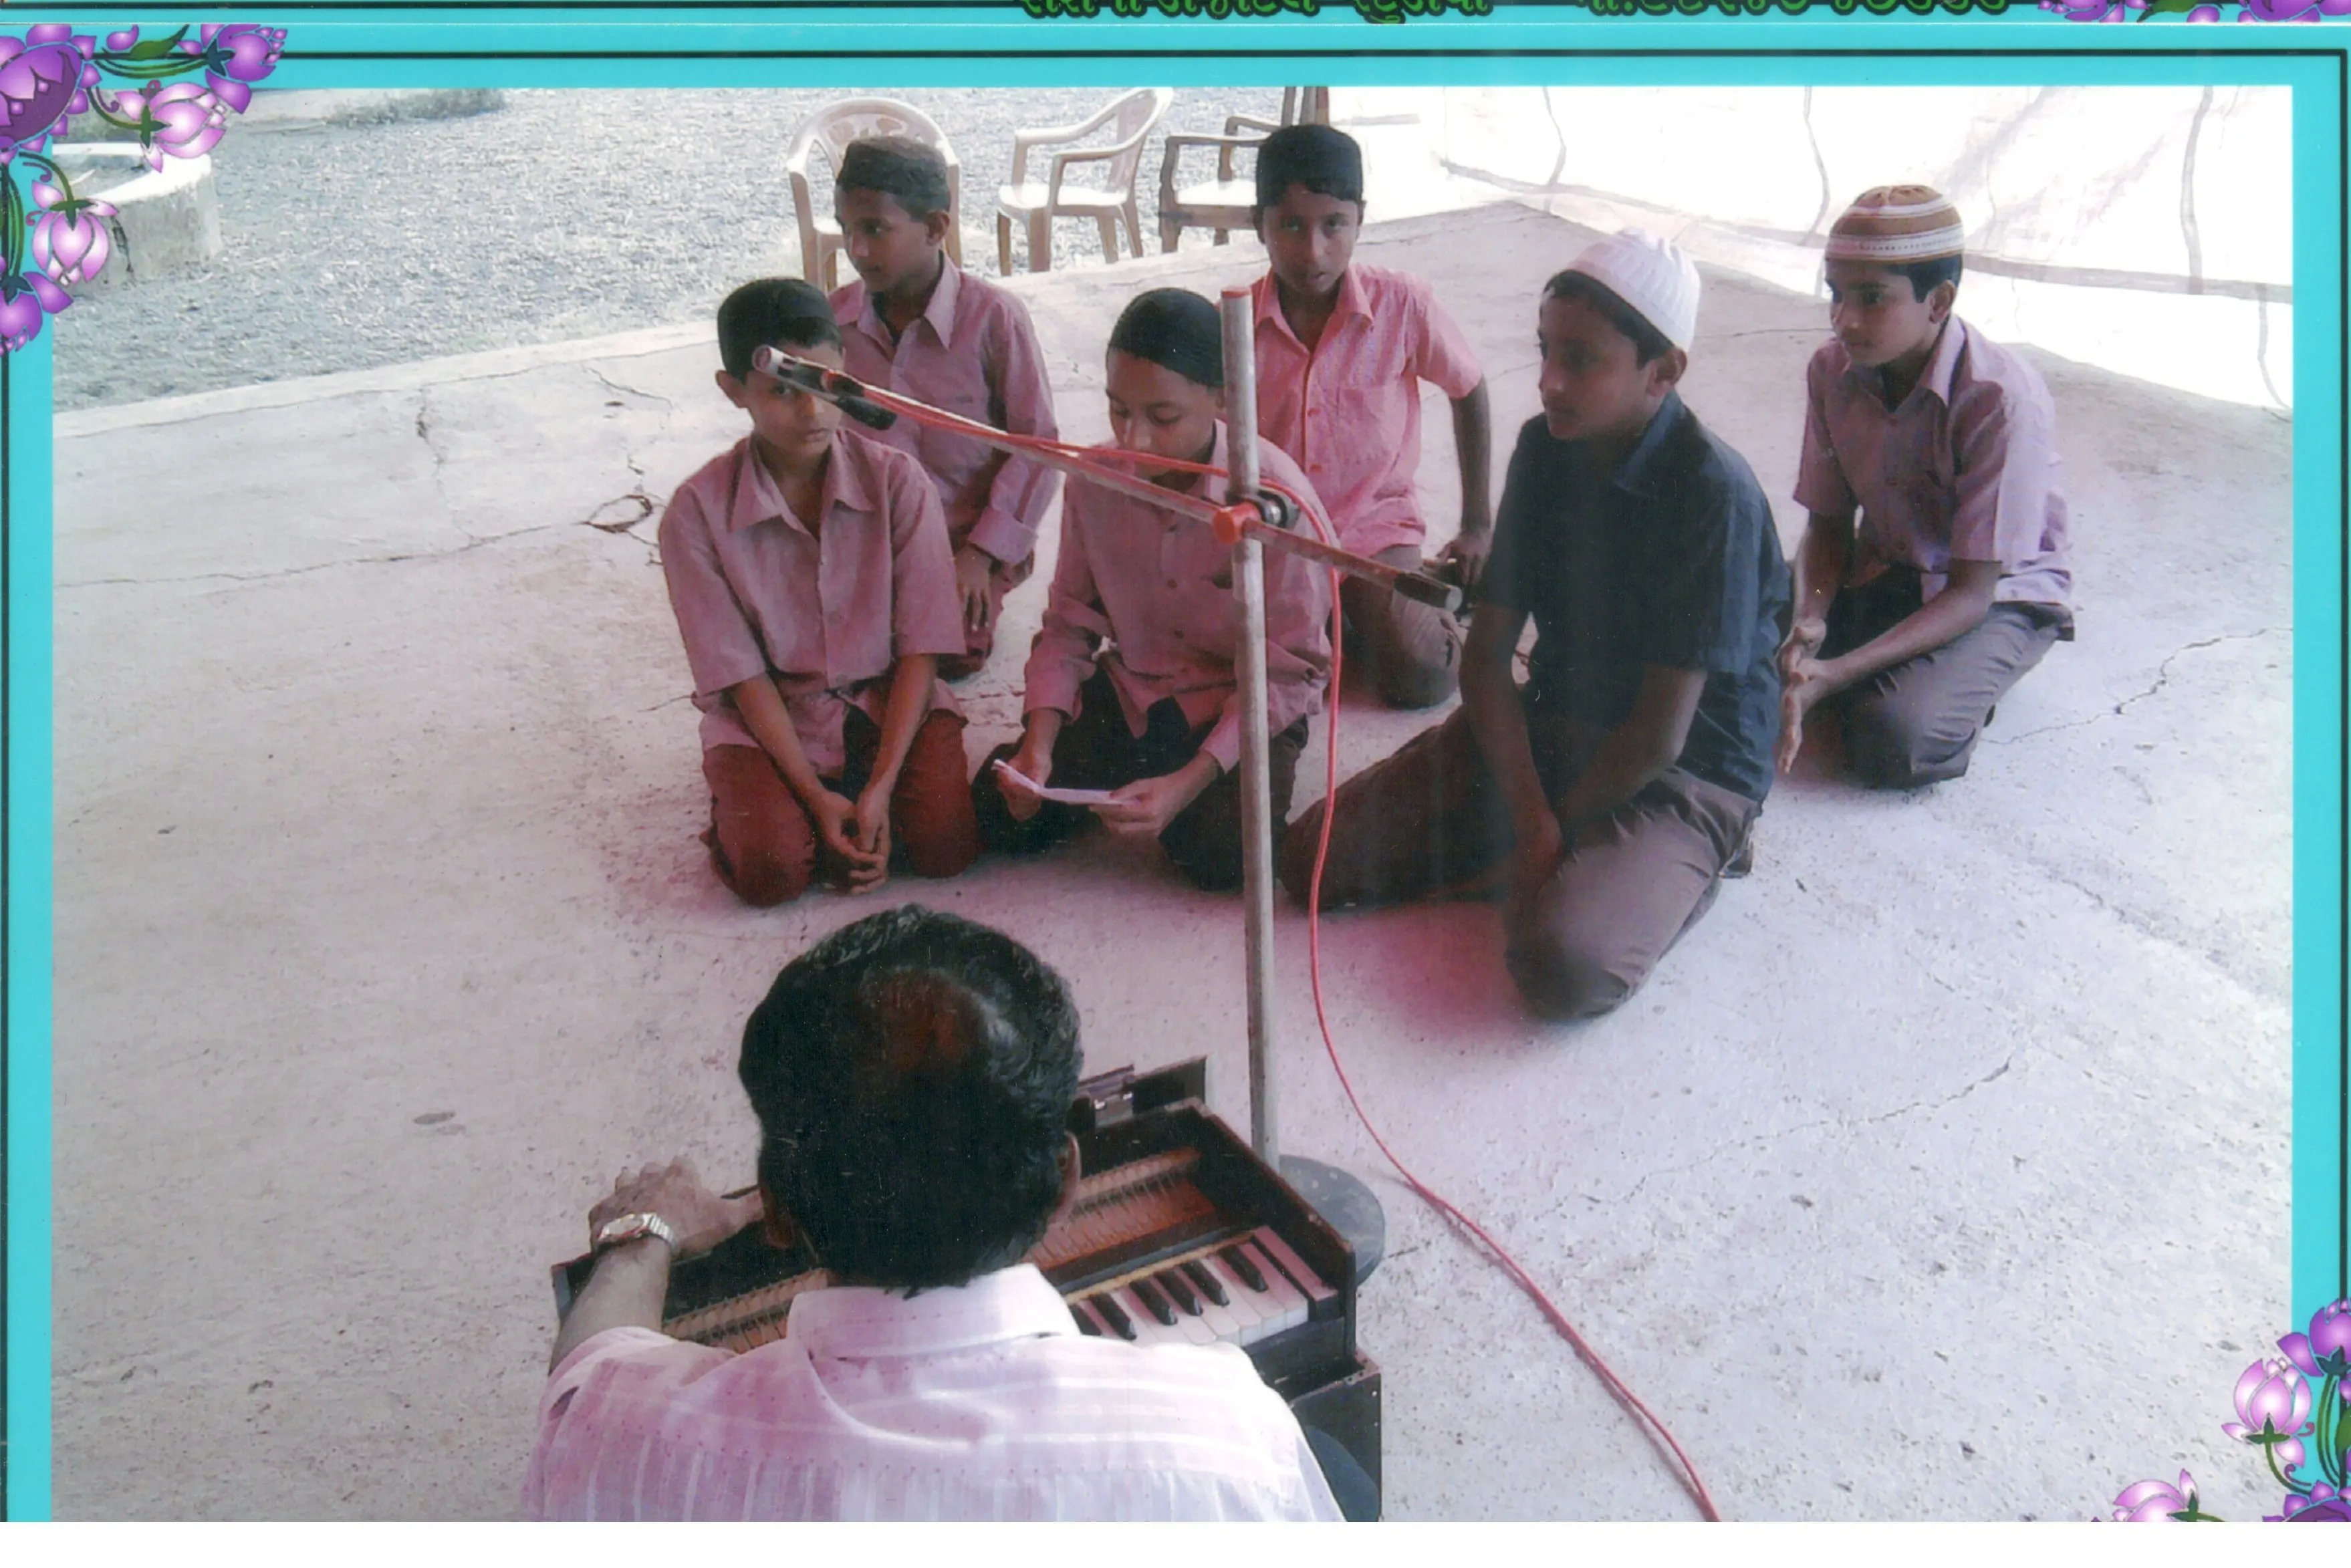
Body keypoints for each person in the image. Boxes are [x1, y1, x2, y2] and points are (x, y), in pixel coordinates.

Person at [523, 905, 1349, 1521]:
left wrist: (642, 1239)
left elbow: (584, 1367)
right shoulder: (1228, 1438)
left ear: (773, 1210)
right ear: (1066, 1183)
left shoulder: (626, 1435)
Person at [1278, 232, 1790, 1021]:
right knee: (1313, 860)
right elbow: (1485, 664)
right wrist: (1535, 822)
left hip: (1687, 764)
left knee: (1562, 967)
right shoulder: (1542, 450)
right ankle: (1566, 861)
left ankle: (1699, 853)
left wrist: (1548, 831)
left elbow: (1660, 735)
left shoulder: (1711, 493)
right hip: (1560, 720)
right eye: (1545, 350)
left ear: (1664, 371)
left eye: (1581, 360)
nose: (1548, 382)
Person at [971, 288, 1334, 892]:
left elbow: (1290, 675)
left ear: (1221, 400)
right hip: (1137, 690)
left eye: (1162, 418)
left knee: (1224, 856)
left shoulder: (1276, 499)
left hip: (1239, 701)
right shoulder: (1095, 478)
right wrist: (1040, 742)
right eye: (1118, 411)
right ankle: (1132, 780)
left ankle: (1161, 788)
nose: (1133, 442)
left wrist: (1187, 782)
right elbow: (1068, 627)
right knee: (1000, 804)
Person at [657, 277, 979, 908]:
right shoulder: (695, 515)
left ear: (846, 371)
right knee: (773, 873)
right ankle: (773, 803)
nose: (812, 413)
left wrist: (882, 785)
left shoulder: (897, 482)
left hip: (888, 699)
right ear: (733, 391)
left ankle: (851, 796)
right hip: (775, 717)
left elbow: (922, 648)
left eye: (826, 385)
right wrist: (811, 795)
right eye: (781, 390)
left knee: (945, 847)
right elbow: (742, 678)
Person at [1777, 184, 2075, 787]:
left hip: (1993, 591)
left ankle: (1962, 673)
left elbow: (1970, 591)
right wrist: (1809, 616)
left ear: (1939, 301)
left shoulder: (1999, 399)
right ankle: (1875, 663)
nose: (1843, 320)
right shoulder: (1830, 370)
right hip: (1887, 562)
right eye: (1835, 294)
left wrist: (1834, 672)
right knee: (1728, 641)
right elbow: (1828, 527)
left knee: (1894, 735)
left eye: (1872, 298)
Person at [1249, 124, 1491, 708]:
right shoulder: (1232, 325)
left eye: (1333, 225)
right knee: (1227, 659)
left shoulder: (1401, 305)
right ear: (1258, 224)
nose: (1313, 251)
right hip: (1277, 534)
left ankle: (1414, 593)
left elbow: (1470, 389)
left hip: (1372, 528)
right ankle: (1361, 606)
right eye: (1290, 225)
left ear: (1359, 218)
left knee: (1422, 675)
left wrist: (1478, 523)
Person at [830, 136, 1062, 678]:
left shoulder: (994, 319)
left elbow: (1039, 447)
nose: (856, 250)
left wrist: (981, 555)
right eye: (846, 230)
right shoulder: (833, 324)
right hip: (868, 539)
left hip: (964, 543)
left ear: (935, 228)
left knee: (948, 655)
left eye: (874, 229)